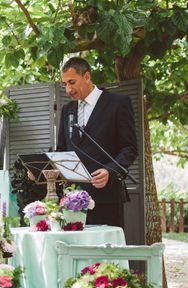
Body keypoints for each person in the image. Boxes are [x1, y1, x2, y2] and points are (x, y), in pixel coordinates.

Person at [56, 57, 138, 228]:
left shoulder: (118, 104)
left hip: (106, 197)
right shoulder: (67, 110)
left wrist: (110, 171)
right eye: (64, 84)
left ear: (87, 76)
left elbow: (130, 148)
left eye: (72, 82)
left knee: (106, 253)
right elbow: (62, 149)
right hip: (72, 201)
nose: (68, 89)